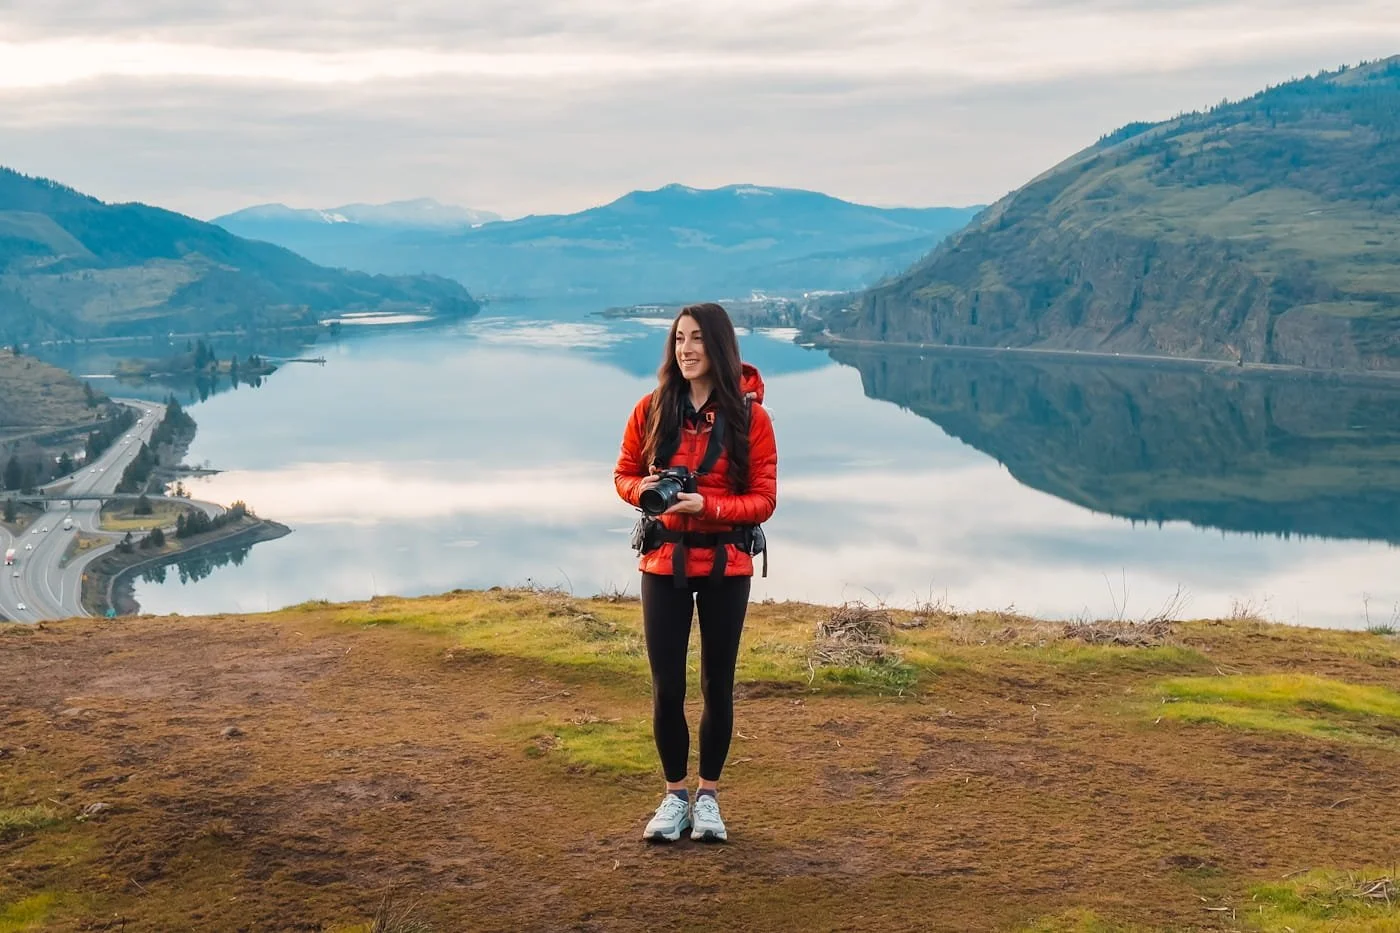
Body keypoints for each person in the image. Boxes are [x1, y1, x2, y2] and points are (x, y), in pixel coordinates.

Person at [614, 302, 778, 843]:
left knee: (717, 685)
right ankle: (672, 796)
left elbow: (763, 500)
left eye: (698, 340)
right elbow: (623, 474)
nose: (685, 349)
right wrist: (647, 493)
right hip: (663, 562)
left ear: (720, 347)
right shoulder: (652, 408)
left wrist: (704, 509)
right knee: (666, 687)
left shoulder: (751, 419)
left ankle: (707, 798)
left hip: (727, 566)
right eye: (679, 339)